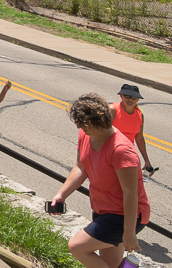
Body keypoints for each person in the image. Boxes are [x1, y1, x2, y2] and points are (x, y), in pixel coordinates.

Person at [49, 93, 150, 268]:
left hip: (125, 215)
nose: (80, 128)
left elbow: (130, 193)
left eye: (84, 124)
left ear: (100, 120)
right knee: (110, 264)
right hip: (102, 209)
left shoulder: (121, 151)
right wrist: (61, 194)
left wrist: (129, 232)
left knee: (77, 247)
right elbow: (81, 167)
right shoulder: (85, 135)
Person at [111, 84, 156, 175]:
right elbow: (100, 132)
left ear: (138, 99)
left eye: (134, 97)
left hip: (128, 154)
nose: (130, 99)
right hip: (111, 152)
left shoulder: (139, 114)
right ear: (121, 96)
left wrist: (147, 160)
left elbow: (139, 138)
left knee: (134, 185)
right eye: (127, 96)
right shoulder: (113, 109)